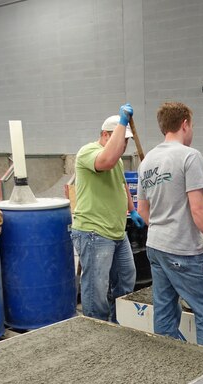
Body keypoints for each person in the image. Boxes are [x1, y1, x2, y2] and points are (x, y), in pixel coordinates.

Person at [136, 102, 203, 349]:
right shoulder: (189, 156)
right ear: (185, 124)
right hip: (183, 250)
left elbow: (143, 211)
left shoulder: (147, 161)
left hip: (155, 246)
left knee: (164, 311)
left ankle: (171, 366)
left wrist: (163, 228)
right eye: (191, 125)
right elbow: (198, 208)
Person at [71, 103, 146, 322]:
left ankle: (115, 322)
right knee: (97, 287)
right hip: (94, 232)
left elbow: (122, 186)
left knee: (126, 278)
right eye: (122, 140)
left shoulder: (119, 162)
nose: (124, 146)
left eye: (127, 141)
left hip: (116, 231)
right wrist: (123, 122)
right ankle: (96, 329)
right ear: (106, 135)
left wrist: (133, 211)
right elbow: (106, 161)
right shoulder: (88, 152)